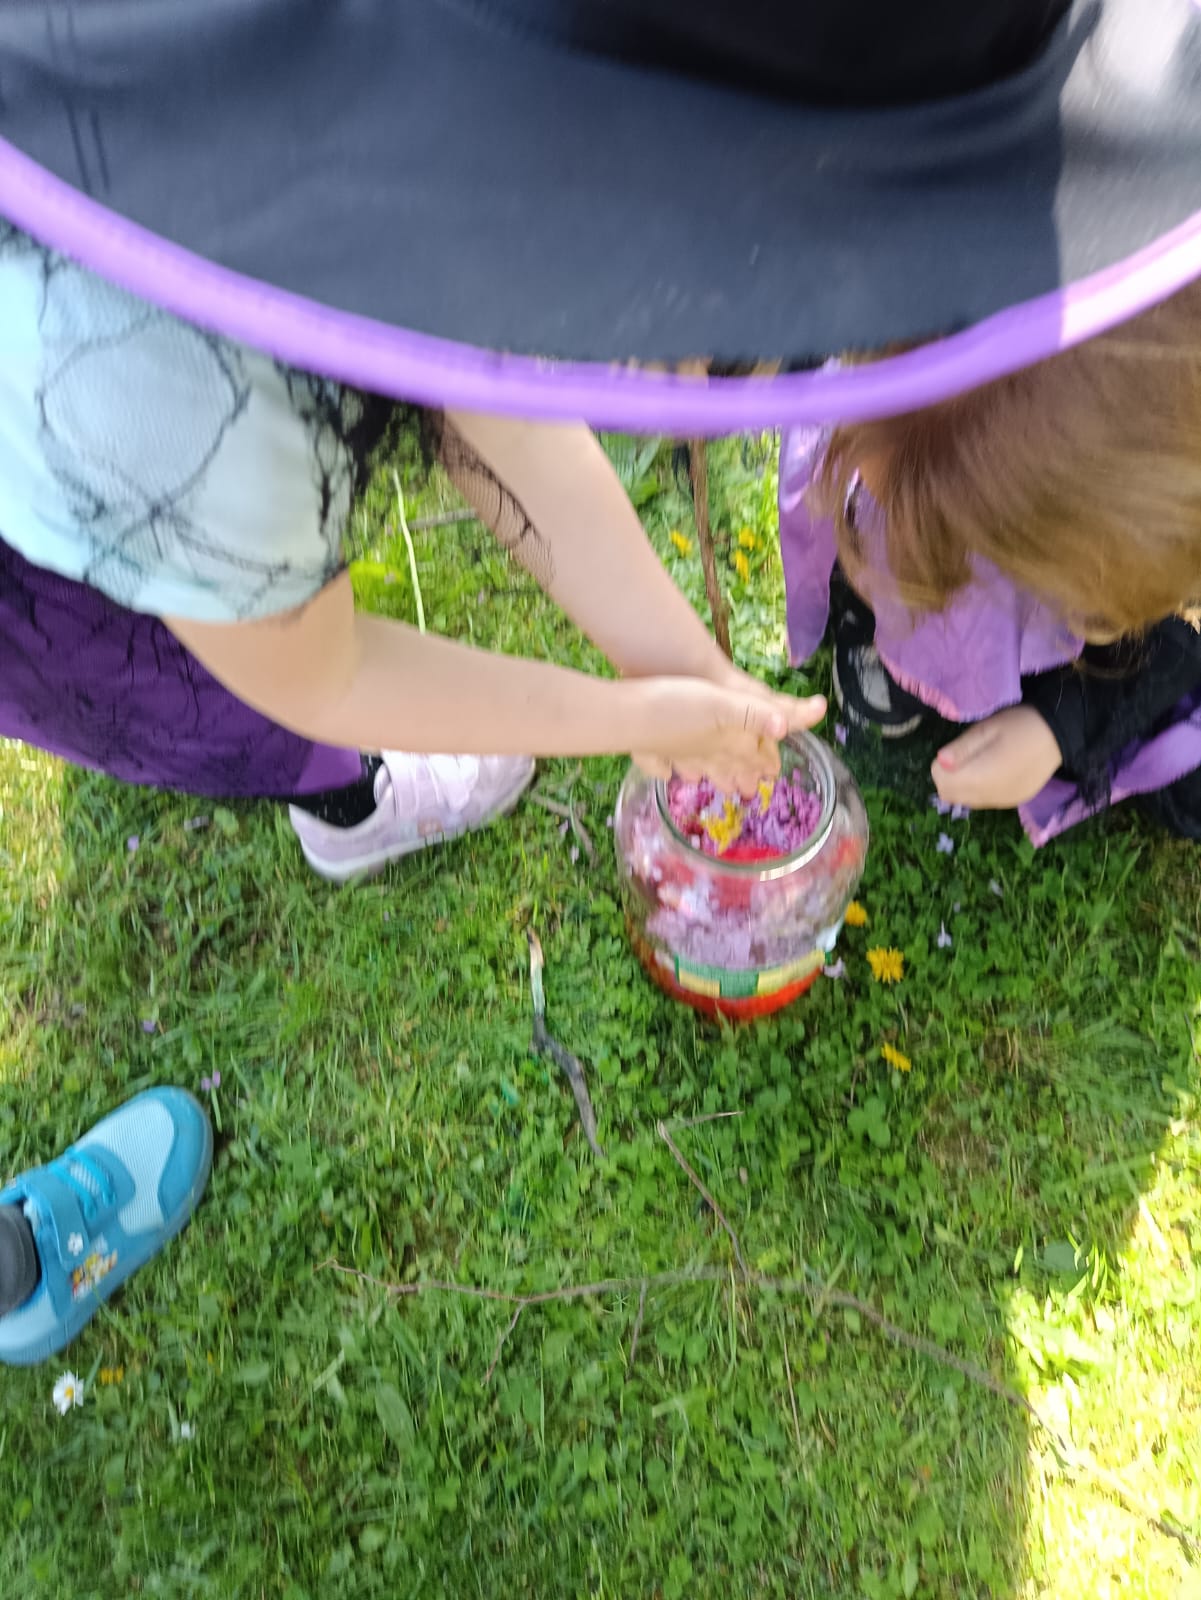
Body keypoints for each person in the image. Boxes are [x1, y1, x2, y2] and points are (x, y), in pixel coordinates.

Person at [778, 279, 1201, 845]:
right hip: (904, 536)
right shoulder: (876, 411)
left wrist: (1054, 727)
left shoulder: (1140, 521)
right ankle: (875, 622)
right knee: (890, 554)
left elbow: (1163, 637)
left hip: (1072, 625)